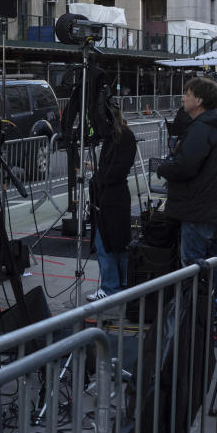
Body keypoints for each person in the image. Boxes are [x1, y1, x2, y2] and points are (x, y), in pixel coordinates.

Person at [157, 77, 217, 293]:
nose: (183, 98)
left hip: (199, 211)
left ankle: (193, 318)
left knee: (192, 269)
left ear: (199, 100)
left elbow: (186, 167)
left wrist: (164, 168)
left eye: (187, 94)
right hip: (213, 209)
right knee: (212, 265)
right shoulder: (216, 127)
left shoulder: (202, 129)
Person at [87, 106, 137, 301]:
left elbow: (117, 170)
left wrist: (100, 172)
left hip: (113, 196)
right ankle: (121, 284)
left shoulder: (123, 138)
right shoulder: (117, 137)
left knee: (107, 243)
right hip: (111, 195)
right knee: (116, 243)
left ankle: (110, 286)